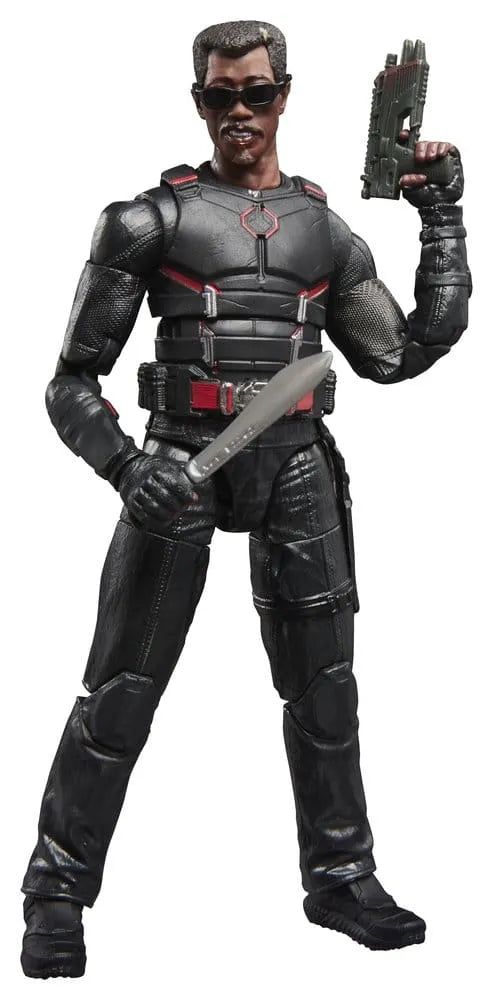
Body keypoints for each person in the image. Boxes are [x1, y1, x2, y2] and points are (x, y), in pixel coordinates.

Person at [21, 20, 471, 977]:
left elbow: (401, 352)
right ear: (198, 102)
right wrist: (125, 467)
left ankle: (341, 877)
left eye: (256, 93)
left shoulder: (322, 231)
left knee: (325, 688)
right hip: (180, 465)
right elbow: (69, 384)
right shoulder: (148, 222)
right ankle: (56, 888)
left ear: (283, 96)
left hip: (296, 463)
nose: (240, 112)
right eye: (221, 95)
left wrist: (441, 220)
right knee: (121, 689)